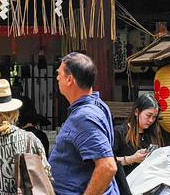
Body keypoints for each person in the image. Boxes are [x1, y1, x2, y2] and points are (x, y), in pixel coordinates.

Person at [50, 52, 119, 195]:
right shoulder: (97, 106)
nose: (57, 78)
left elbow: (107, 166)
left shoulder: (84, 117)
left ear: (70, 79)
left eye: (59, 74)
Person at [113, 94, 163, 175]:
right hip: (127, 182)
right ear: (137, 112)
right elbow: (109, 161)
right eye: (148, 115)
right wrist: (132, 159)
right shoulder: (119, 132)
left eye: (154, 117)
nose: (151, 120)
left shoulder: (153, 134)